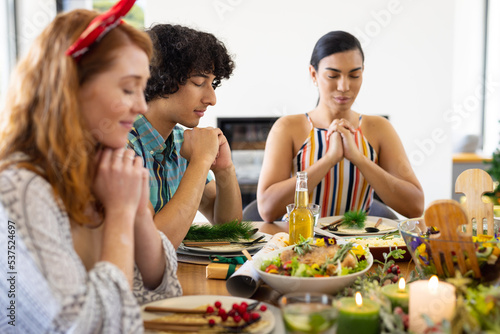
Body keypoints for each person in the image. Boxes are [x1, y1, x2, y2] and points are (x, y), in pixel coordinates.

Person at [0, 4, 181, 333]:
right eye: (128, 89)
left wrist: (138, 211)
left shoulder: (103, 168)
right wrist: (122, 213)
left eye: (143, 89)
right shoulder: (17, 189)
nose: (141, 106)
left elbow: (161, 291)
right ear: (69, 88)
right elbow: (85, 327)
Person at [257, 31, 424, 222]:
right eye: (332, 75)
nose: (344, 86)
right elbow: (267, 209)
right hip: (300, 244)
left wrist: (359, 158)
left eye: (354, 75)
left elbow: (415, 206)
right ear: (314, 74)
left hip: (359, 246)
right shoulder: (287, 128)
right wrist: (329, 159)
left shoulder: (379, 128)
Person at [128, 24, 242, 248]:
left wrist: (224, 169)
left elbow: (229, 228)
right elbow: (155, 247)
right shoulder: (120, 146)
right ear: (161, 79)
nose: (211, 98)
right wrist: (200, 162)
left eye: (212, 83)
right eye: (199, 83)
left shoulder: (181, 140)